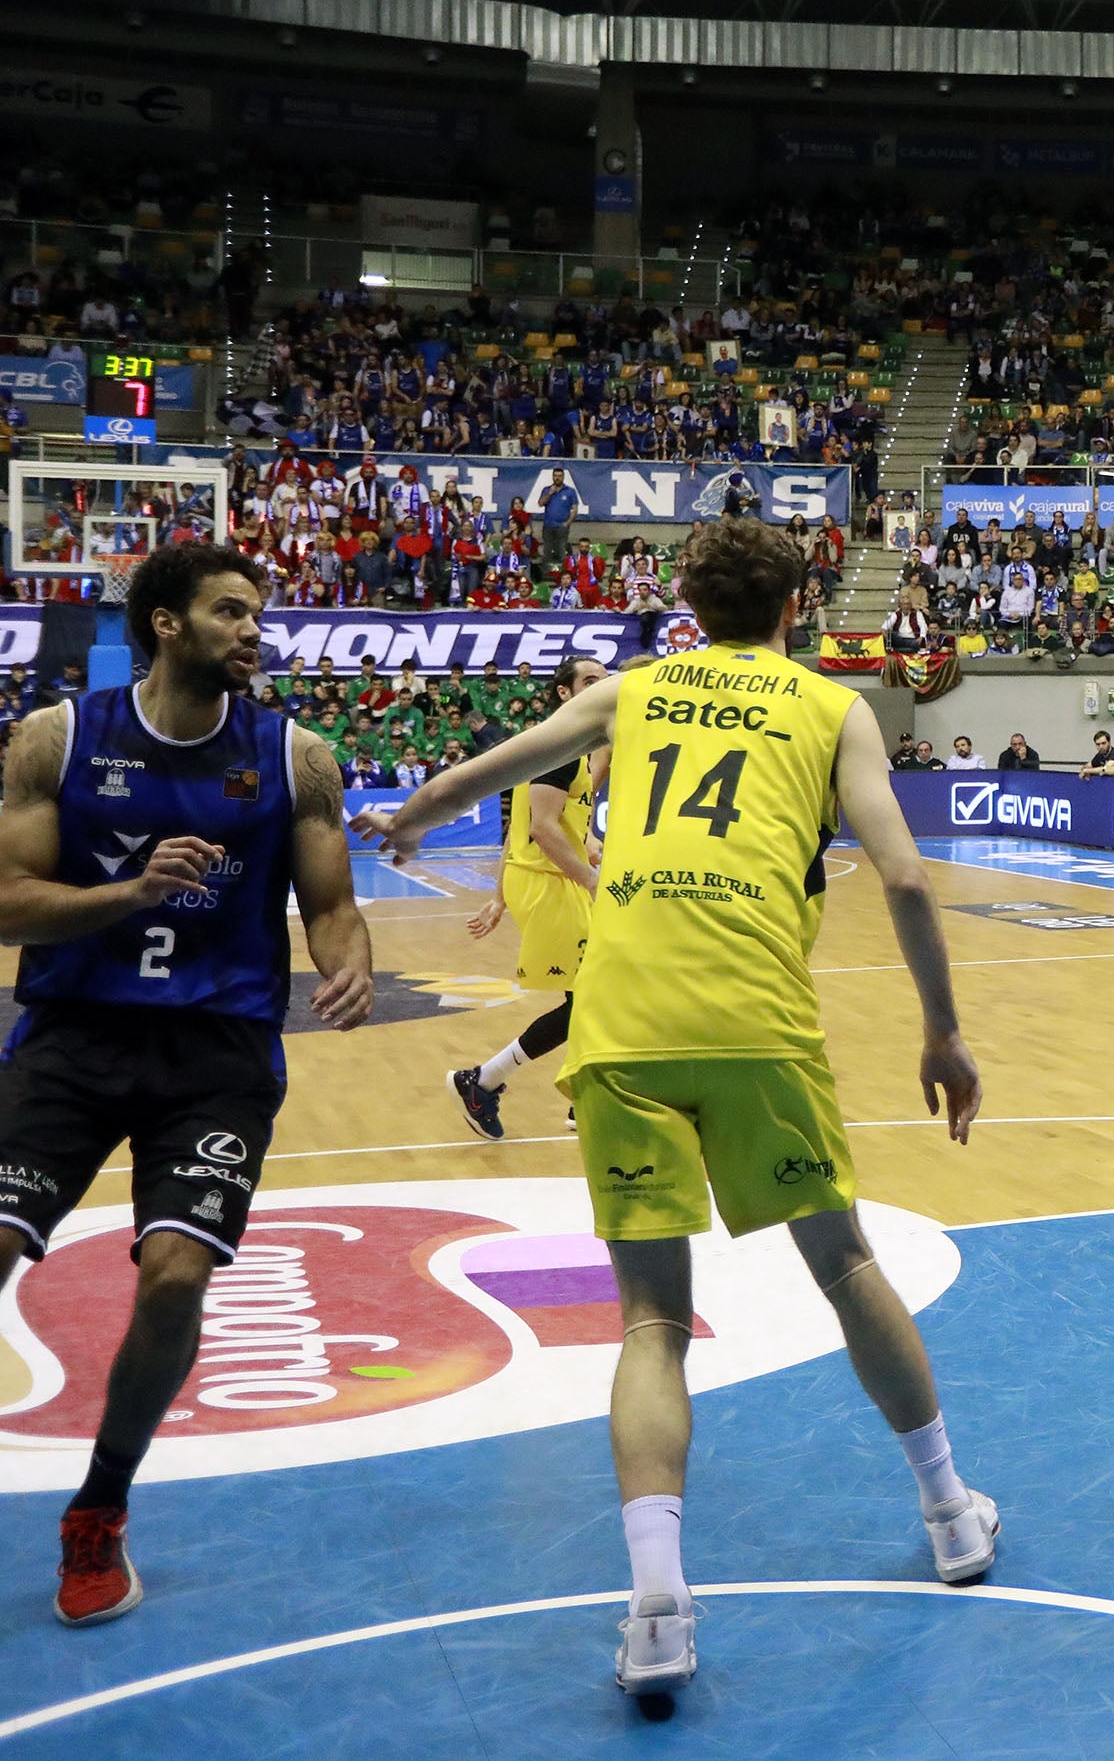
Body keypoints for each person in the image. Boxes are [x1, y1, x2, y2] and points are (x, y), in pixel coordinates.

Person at [362, 518, 995, 1701]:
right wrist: (943, 1032)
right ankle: (951, 1512)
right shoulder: (834, 709)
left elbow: (493, 769)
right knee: (846, 1266)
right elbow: (905, 875)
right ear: (797, 608)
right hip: (755, 1018)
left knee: (653, 1322)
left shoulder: (634, 690)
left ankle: (657, 1603)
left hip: (623, 1024)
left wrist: (410, 813)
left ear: (691, 609)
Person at [0, 543, 374, 1625]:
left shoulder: (298, 755)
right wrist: (125, 895)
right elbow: (9, 903)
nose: (253, 630)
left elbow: (331, 903)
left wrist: (348, 959)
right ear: (165, 623)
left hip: (217, 1052)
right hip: (75, 1035)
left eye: (257, 613)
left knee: (174, 1277)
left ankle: (100, 1506)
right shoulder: (58, 738)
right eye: (229, 611)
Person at [446, 656, 611, 1142]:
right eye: (589, 681)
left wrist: (499, 896)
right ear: (564, 692)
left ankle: (576, 1097)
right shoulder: (562, 748)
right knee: (595, 996)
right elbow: (540, 828)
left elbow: (520, 829)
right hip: (549, 883)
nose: (600, 688)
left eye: (605, 681)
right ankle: (483, 1081)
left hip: (547, 879)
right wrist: (590, 878)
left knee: (594, 995)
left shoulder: (568, 746)